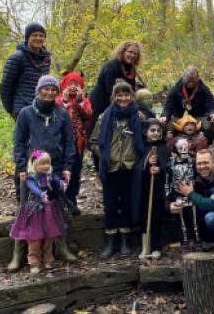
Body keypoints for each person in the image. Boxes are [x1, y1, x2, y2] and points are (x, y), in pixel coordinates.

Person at [10, 75, 77, 272]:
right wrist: (22, 167)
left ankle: (61, 248)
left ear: (57, 92)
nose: (49, 92)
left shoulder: (62, 114)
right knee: (26, 209)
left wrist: (67, 167)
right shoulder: (26, 113)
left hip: (53, 169)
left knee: (57, 209)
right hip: (30, 171)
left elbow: (69, 142)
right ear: (39, 90)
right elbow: (19, 142)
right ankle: (19, 254)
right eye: (45, 89)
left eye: (53, 89)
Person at [89, 80, 144, 258]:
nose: (123, 98)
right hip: (110, 167)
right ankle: (110, 242)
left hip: (129, 166)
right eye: (119, 95)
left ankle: (125, 242)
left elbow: (150, 136)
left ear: (131, 96)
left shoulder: (139, 117)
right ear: (114, 97)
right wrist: (105, 153)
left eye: (126, 95)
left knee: (127, 203)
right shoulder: (104, 117)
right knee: (111, 204)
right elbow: (93, 142)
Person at [9, 150, 68, 274]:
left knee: (49, 237)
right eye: (42, 163)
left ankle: (48, 259)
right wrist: (41, 194)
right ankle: (34, 261)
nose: (46, 166)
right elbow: (33, 187)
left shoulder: (50, 176)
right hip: (34, 210)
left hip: (49, 210)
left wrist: (61, 184)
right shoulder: (31, 177)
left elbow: (57, 181)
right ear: (34, 164)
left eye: (48, 163)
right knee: (34, 238)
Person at [88, 41, 143, 138]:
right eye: (130, 52)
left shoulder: (131, 69)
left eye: (136, 54)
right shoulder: (111, 66)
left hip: (120, 102)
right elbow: (112, 92)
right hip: (101, 103)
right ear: (122, 51)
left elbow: (131, 91)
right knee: (98, 134)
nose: (133, 55)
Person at [132, 119, 170, 259]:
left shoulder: (164, 148)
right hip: (143, 189)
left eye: (158, 131)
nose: (155, 133)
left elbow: (169, 167)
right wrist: (147, 162)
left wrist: (159, 168)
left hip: (157, 190)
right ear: (145, 132)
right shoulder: (141, 148)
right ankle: (145, 247)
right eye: (152, 130)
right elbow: (136, 166)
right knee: (144, 216)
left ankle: (156, 247)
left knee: (155, 217)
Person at [0, 22, 51, 119]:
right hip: (22, 109)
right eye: (35, 35)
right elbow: (5, 87)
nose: (38, 38)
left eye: (41, 36)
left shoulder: (46, 59)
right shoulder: (17, 58)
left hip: (41, 107)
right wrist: (10, 110)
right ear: (27, 38)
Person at [55, 72, 92, 205]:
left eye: (76, 84)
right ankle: (59, 198)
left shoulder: (84, 101)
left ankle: (72, 198)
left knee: (75, 171)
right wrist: (65, 101)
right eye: (70, 84)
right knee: (61, 171)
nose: (72, 87)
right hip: (60, 143)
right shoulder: (58, 100)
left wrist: (79, 100)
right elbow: (57, 115)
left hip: (78, 142)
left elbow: (88, 115)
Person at [161, 66, 214, 143]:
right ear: (184, 76)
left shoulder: (204, 89)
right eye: (188, 79)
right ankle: (169, 146)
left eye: (193, 79)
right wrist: (164, 116)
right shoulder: (175, 89)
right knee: (162, 125)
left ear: (198, 78)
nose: (190, 82)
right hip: (179, 118)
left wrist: (212, 114)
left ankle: (205, 145)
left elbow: (210, 106)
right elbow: (168, 107)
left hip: (198, 118)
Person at [167, 136, 201, 252]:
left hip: (191, 193)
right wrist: (169, 198)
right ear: (176, 149)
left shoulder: (192, 162)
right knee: (181, 221)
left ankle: (197, 240)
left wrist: (195, 188)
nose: (183, 150)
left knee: (195, 219)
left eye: (185, 147)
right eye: (180, 148)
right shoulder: (170, 165)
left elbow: (198, 177)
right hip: (178, 196)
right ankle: (184, 241)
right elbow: (167, 182)